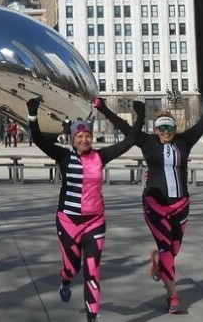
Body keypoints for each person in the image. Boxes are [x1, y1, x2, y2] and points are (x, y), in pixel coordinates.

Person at [100, 86, 203, 315]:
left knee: (173, 249)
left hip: (181, 204)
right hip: (155, 204)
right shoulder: (147, 142)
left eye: (169, 127)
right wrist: (103, 108)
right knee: (167, 248)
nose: (166, 131)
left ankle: (159, 262)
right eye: (162, 128)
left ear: (174, 129)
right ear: (156, 129)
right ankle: (173, 296)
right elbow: (124, 127)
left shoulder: (184, 141)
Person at [26, 97, 144, 322]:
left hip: (95, 222)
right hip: (68, 221)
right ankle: (66, 279)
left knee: (92, 271)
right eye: (79, 136)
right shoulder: (64, 156)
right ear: (73, 139)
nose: (84, 140)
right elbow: (40, 141)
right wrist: (33, 116)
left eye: (87, 136)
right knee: (71, 268)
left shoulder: (100, 156)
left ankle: (92, 317)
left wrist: (140, 119)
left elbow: (129, 142)